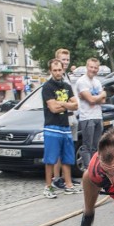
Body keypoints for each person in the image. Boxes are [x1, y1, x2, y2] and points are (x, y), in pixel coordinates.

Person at [41, 58, 80, 198]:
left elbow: (75, 105)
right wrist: (66, 104)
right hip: (52, 127)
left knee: (67, 158)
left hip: (65, 127)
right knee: (50, 159)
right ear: (50, 71)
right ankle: (48, 187)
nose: (58, 73)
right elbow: (53, 109)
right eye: (55, 70)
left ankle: (69, 185)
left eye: (60, 70)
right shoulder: (47, 87)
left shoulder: (67, 86)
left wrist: (60, 103)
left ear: (63, 70)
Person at [50, 48, 80, 191]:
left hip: (71, 118)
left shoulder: (66, 77)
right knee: (59, 151)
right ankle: (57, 178)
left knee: (68, 150)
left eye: (67, 60)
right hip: (60, 119)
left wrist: (69, 105)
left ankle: (66, 176)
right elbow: (55, 104)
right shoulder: (54, 79)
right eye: (63, 60)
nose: (66, 62)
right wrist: (68, 105)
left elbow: (74, 102)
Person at [76, 57, 107, 169]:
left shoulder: (97, 81)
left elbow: (103, 101)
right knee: (87, 146)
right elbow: (92, 100)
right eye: (91, 67)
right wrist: (101, 95)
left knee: (96, 146)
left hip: (98, 116)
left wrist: (96, 97)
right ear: (86, 67)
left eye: (95, 67)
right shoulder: (81, 81)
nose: (93, 69)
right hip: (87, 117)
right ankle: (88, 169)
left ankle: (95, 169)